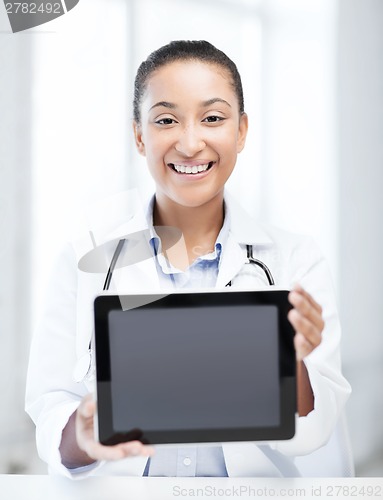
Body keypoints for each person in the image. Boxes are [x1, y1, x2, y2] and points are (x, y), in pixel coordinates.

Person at [25, 40, 351, 478]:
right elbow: (51, 410)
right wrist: (85, 436)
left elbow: (316, 432)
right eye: (166, 120)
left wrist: (287, 362)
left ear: (241, 131)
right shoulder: (85, 257)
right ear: (140, 135)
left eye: (213, 118)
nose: (191, 142)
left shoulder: (297, 260)